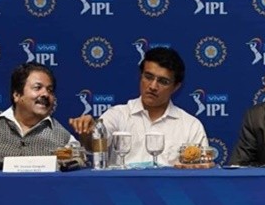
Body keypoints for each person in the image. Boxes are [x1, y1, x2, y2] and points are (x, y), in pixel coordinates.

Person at [68, 47, 206, 166]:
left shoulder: (191, 126)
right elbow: (93, 146)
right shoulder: (118, 115)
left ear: (176, 87)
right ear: (140, 76)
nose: (153, 86)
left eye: (163, 81)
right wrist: (88, 132)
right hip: (121, 188)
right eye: (148, 77)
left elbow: (200, 171)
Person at [0, 62, 76, 163]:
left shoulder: (64, 139)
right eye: (37, 87)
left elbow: (76, 173)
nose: (46, 94)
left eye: (50, 90)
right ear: (16, 95)